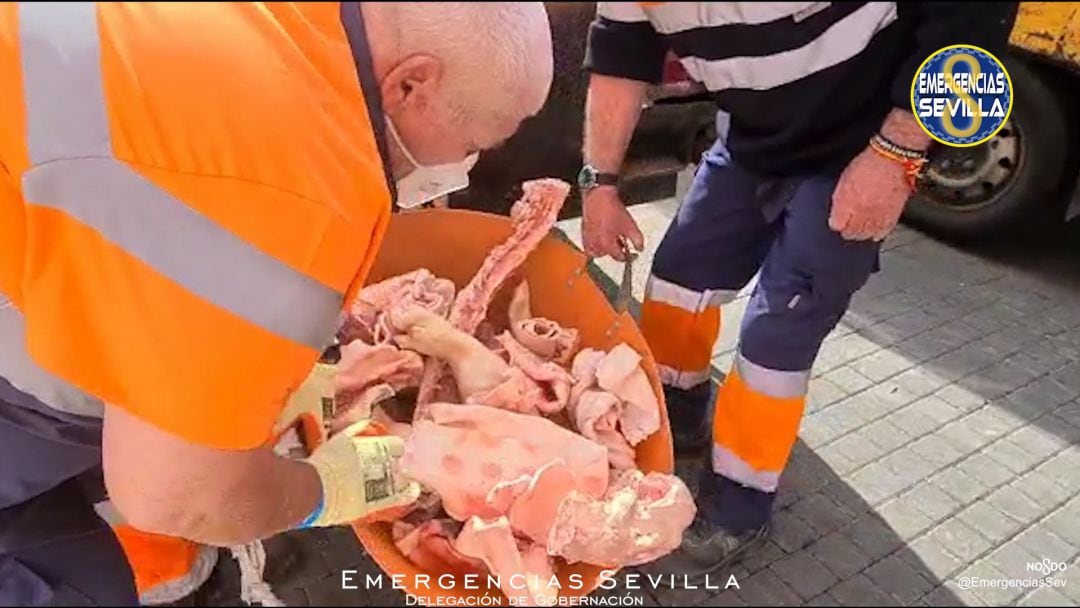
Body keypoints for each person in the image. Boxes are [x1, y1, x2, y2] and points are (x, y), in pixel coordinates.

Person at [0, 2, 553, 604]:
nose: (463, 167)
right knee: (80, 586)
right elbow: (176, 496)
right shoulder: (297, 202)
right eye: (470, 142)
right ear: (410, 83)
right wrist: (324, 489)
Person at [577, 1, 1017, 576]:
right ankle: (672, 420)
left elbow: (974, 22)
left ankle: (739, 504)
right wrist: (599, 185)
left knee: (775, 339)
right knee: (678, 280)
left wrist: (898, 154)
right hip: (753, 139)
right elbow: (619, 58)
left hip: (863, 145)